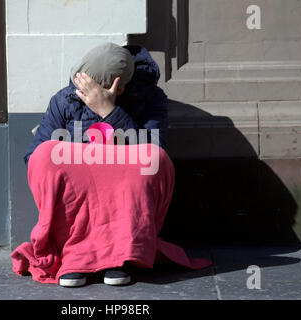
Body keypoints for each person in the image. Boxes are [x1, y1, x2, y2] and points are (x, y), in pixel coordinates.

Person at [11, 42, 212, 287]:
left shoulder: (149, 99)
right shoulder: (64, 100)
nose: (82, 90)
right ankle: (75, 255)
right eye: (80, 83)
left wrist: (108, 110)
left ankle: (119, 256)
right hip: (78, 196)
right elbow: (33, 157)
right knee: (45, 155)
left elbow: (153, 151)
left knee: (154, 159)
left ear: (118, 86)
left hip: (120, 193)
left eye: (90, 86)